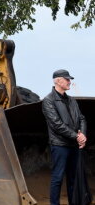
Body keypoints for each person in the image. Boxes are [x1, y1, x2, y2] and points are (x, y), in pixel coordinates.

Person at [42, 69, 87, 205]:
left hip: (73, 145)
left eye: (69, 79)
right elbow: (57, 124)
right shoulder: (48, 101)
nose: (69, 82)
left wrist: (82, 134)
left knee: (73, 177)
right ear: (57, 81)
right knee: (58, 178)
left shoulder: (72, 100)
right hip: (60, 145)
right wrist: (76, 136)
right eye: (67, 79)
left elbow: (82, 118)